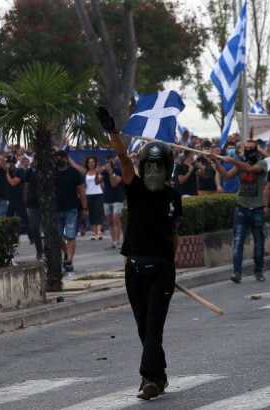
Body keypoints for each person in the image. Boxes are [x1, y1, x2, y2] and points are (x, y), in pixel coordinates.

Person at [100, 107, 182, 401]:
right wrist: (113, 133)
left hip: (161, 271)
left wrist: (169, 268)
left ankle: (149, 380)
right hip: (134, 269)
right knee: (142, 328)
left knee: (153, 328)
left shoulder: (173, 197)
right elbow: (123, 159)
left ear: (168, 169)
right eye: (149, 166)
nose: (153, 172)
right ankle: (158, 376)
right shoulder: (134, 189)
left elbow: (173, 235)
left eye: (159, 167)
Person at [212, 139, 268, 283]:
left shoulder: (262, 163)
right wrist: (216, 162)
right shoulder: (239, 164)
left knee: (259, 243)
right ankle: (237, 273)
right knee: (238, 242)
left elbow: (250, 169)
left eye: (251, 148)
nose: (248, 150)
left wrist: (233, 160)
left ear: (256, 150)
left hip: (257, 208)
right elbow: (226, 175)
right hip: (241, 207)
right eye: (246, 148)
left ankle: (259, 271)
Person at [54, 150, 88, 278]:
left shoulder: (74, 173)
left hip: (71, 209)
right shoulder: (52, 173)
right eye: (56, 157)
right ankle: (67, 254)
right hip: (56, 209)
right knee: (57, 237)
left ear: (66, 158)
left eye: (60, 157)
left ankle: (69, 263)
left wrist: (85, 208)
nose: (58, 160)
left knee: (70, 235)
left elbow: (82, 191)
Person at [101, 154, 125, 249]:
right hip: (107, 198)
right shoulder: (104, 172)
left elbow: (114, 184)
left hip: (117, 198)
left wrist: (111, 172)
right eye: (107, 161)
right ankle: (113, 241)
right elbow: (97, 182)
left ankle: (118, 240)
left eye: (110, 161)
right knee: (110, 221)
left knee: (116, 219)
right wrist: (98, 172)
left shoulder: (118, 171)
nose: (108, 163)